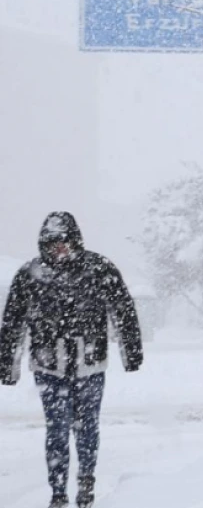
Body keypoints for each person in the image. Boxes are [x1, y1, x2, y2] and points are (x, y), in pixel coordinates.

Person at [0, 212, 144, 508]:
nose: (59, 250)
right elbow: (13, 321)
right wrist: (7, 363)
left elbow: (123, 309)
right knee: (57, 428)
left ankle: (86, 482)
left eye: (64, 243)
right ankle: (58, 492)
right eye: (53, 244)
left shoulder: (98, 269)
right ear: (44, 245)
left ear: (75, 241)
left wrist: (131, 352)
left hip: (89, 363)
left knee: (87, 426)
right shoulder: (30, 275)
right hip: (48, 366)